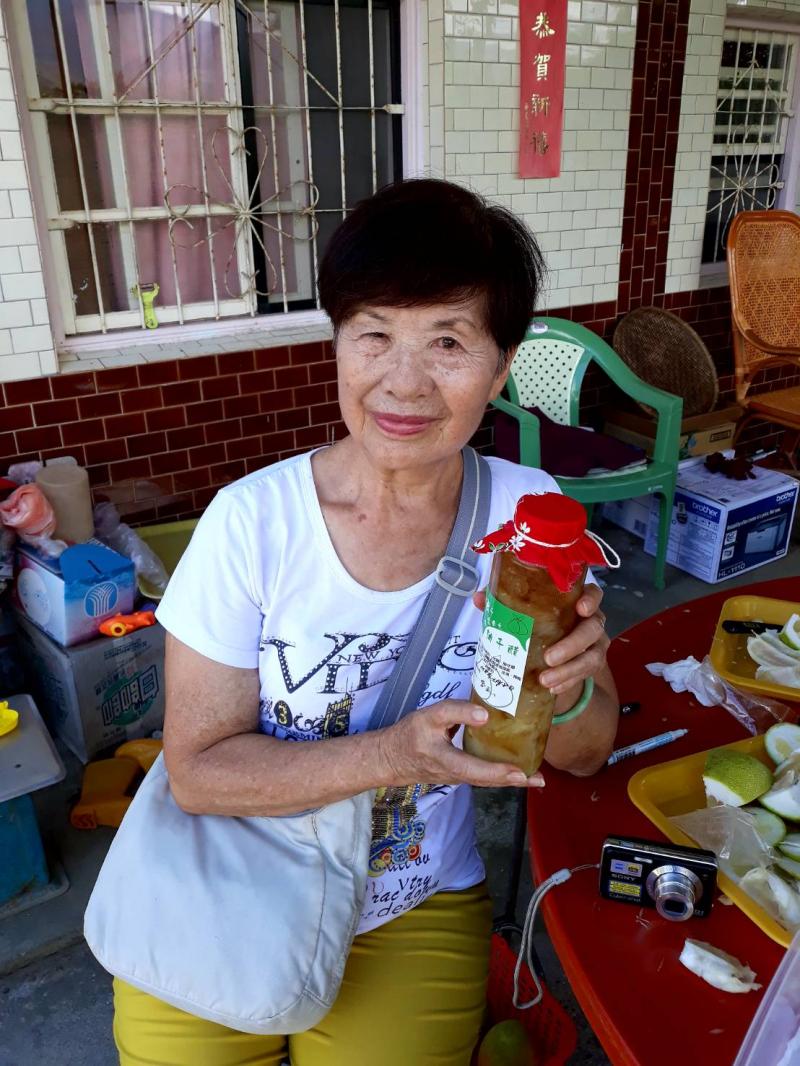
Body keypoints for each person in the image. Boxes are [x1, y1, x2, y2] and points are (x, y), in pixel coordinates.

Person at [112, 178, 618, 1066]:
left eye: (450, 343)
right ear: (339, 346)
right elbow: (197, 774)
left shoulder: (533, 519)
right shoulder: (251, 523)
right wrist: (391, 758)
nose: (405, 381)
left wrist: (569, 690)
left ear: (502, 369)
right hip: (225, 878)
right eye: (374, 334)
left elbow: (581, 754)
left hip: (411, 899)